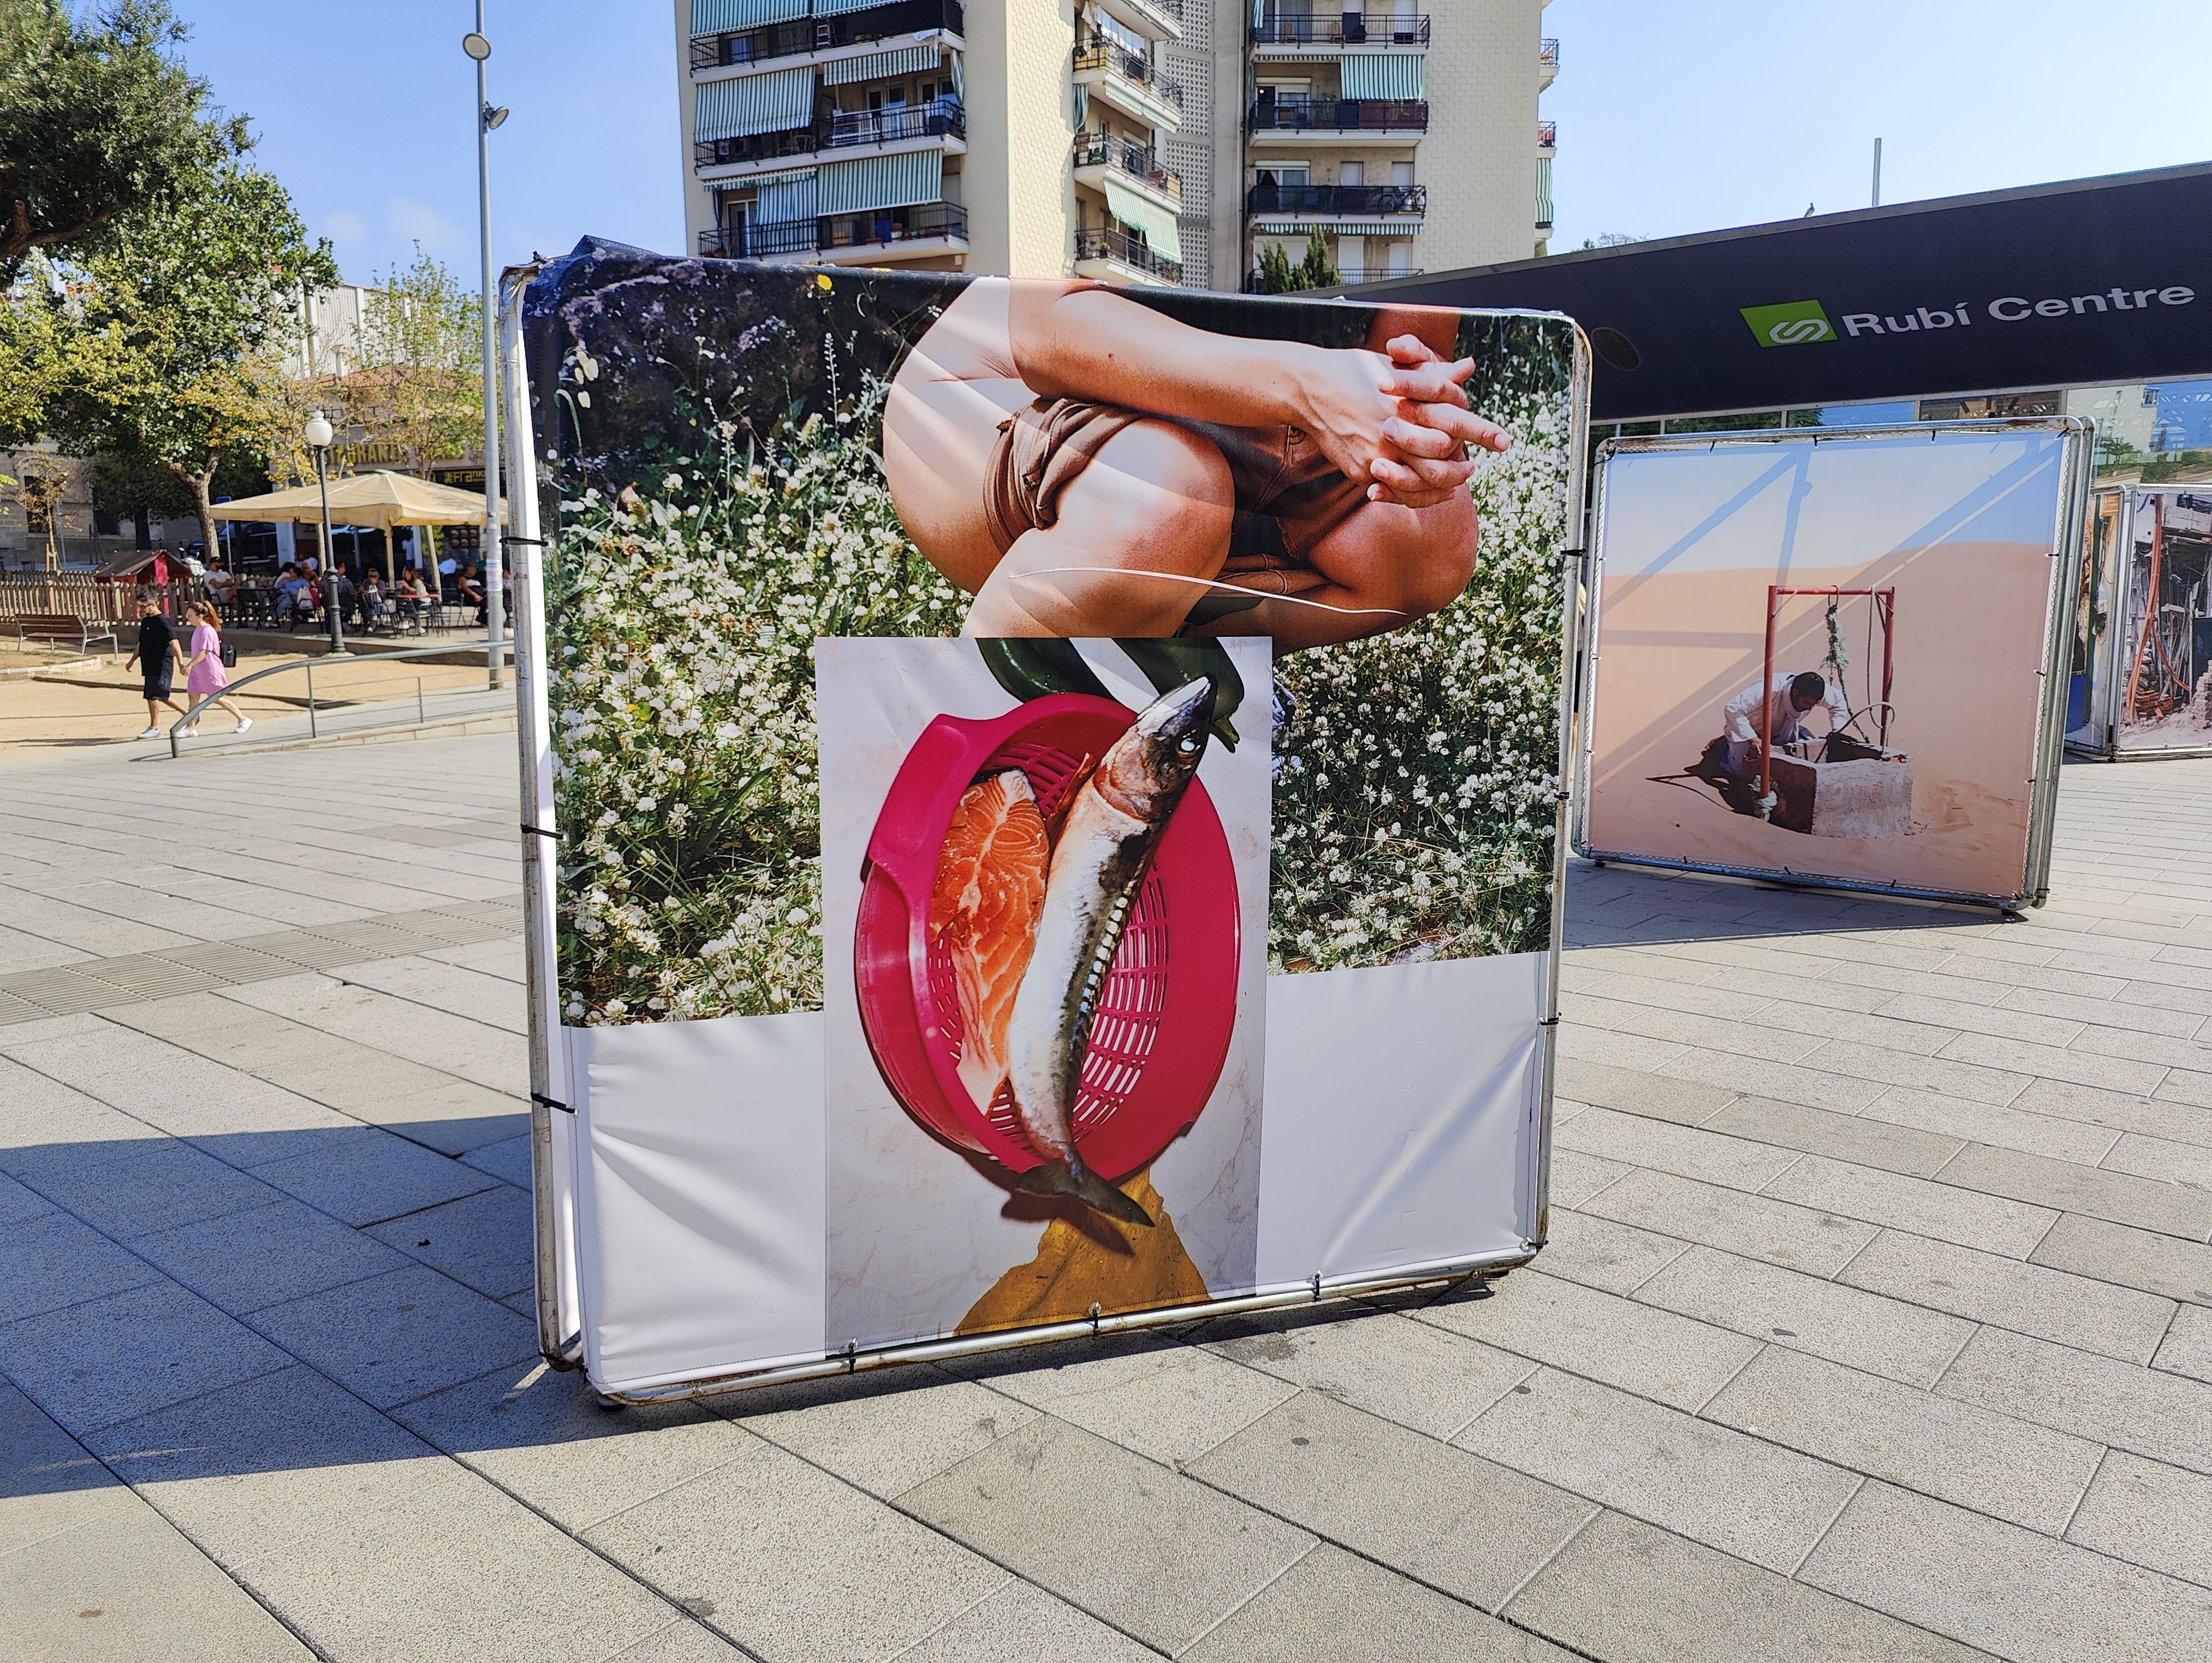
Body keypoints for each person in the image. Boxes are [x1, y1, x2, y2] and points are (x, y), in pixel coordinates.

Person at [880, 276, 1507, 650]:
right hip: (1003, 381)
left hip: (1257, 416)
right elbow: (1049, 337)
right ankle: (976, 739)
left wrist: (1412, 436)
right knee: (1167, 499)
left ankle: (1172, 667)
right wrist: (1300, 385)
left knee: (1429, 540)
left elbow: (1404, 367)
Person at [1719, 670, 1853, 778]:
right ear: (1795, 692)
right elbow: (1733, 708)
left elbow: (1838, 702)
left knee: (1808, 755)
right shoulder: (1770, 688)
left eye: (1813, 705)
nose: (1809, 708)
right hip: (1750, 732)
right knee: (1744, 772)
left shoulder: (1817, 693)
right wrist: (1752, 739)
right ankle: (1724, 748)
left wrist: (1837, 731)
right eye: (1806, 703)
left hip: (1785, 730)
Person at [176, 601, 250, 736]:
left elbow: (205, 651)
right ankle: (190, 728)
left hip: (210, 669)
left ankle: (243, 718)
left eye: (190, 616)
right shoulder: (198, 630)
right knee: (193, 696)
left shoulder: (207, 631)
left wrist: (189, 665)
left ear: (199, 616)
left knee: (216, 697)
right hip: (198, 670)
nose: (188, 618)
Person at [125, 594, 186, 739]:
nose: (141, 610)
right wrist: (132, 660)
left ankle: (155, 727)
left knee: (156, 695)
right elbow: (141, 643)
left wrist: (181, 662)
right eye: (139, 607)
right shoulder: (146, 622)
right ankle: (190, 715)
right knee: (158, 695)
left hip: (162, 663)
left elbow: (174, 642)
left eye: (143, 607)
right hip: (149, 663)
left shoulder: (163, 622)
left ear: (154, 604)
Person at [393, 566, 428, 632]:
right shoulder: (406, 582)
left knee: (412, 608)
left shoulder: (417, 582)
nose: (406, 576)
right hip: (410, 601)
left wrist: (407, 587)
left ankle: (417, 626)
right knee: (400, 605)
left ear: (412, 574)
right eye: (405, 574)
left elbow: (417, 593)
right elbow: (403, 594)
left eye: (408, 574)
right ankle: (402, 621)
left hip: (421, 601)